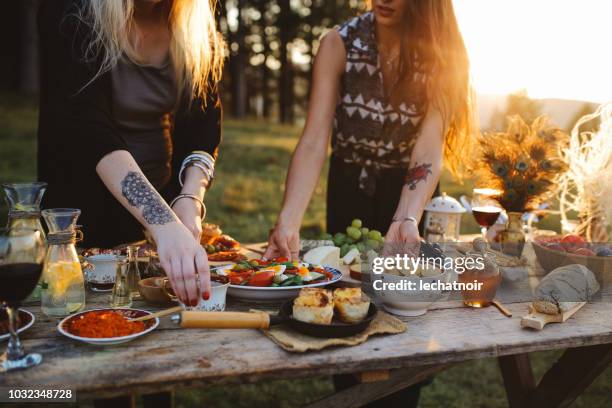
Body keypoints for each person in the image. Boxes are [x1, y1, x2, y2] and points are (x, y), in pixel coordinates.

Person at [265, 1, 475, 406]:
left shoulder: (444, 51)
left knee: (404, 316)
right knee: (348, 309)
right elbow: (314, 139)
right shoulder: (338, 43)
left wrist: (407, 216)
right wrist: (288, 221)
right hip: (350, 189)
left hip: (410, 192)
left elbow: (429, 146)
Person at [38, 0, 225, 308]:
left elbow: (203, 127)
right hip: (83, 220)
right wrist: (163, 222)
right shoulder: (70, 10)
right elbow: (89, 129)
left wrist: (189, 198)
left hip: (156, 217)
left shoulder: (194, 21)